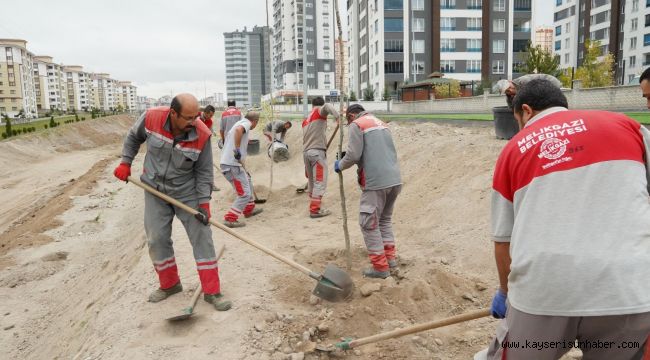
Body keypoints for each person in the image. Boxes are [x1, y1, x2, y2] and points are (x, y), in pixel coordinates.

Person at [485, 79, 650, 359]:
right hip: (630, 288)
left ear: (526, 110)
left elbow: (503, 241)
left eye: (517, 120)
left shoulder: (514, 149)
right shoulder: (628, 126)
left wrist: (505, 292)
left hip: (546, 291)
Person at [113, 93, 231, 311]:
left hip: (187, 193)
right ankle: (170, 285)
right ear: (173, 113)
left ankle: (212, 291)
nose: (193, 122)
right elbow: (132, 138)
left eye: (195, 116)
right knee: (156, 238)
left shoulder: (202, 134)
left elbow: (204, 173)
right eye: (187, 118)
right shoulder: (151, 118)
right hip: (154, 189)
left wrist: (203, 203)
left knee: (202, 237)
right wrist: (125, 162)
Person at [334, 104, 402, 279]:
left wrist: (340, 165)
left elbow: (353, 155)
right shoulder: (381, 123)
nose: (348, 124)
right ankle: (390, 260)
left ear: (351, 116)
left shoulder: (358, 125)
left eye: (347, 120)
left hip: (376, 182)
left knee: (368, 223)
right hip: (394, 179)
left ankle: (380, 268)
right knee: (384, 221)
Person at [220, 110, 263, 228]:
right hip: (231, 165)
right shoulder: (246, 124)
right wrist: (237, 149)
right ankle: (230, 218)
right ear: (255, 121)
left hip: (232, 164)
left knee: (247, 180)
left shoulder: (240, 122)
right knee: (244, 193)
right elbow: (239, 131)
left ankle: (249, 209)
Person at [302, 96, 339, 218]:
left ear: (312, 105)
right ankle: (315, 210)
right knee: (320, 181)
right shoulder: (319, 111)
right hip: (316, 152)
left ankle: (314, 206)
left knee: (312, 182)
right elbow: (327, 106)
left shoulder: (306, 119)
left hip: (307, 153)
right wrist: (338, 117)